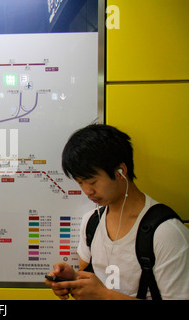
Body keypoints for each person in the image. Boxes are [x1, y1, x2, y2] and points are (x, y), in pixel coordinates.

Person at [45, 124, 189, 300]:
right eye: (80, 182)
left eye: (92, 182)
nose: (87, 191)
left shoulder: (165, 232)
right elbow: (89, 276)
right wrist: (72, 281)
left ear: (121, 171)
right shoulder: (91, 222)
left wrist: (105, 296)